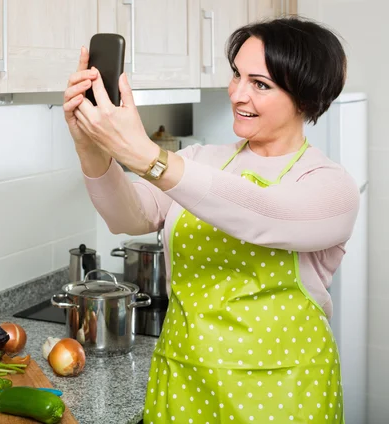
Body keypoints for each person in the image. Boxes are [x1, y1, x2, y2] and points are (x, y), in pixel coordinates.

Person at [63, 15, 359, 424]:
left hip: (285, 393)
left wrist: (146, 155)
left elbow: (261, 215)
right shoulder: (200, 160)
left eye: (261, 84)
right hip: (184, 380)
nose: (237, 93)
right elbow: (125, 215)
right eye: (237, 74)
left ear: (306, 99)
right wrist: (91, 147)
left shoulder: (330, 187)